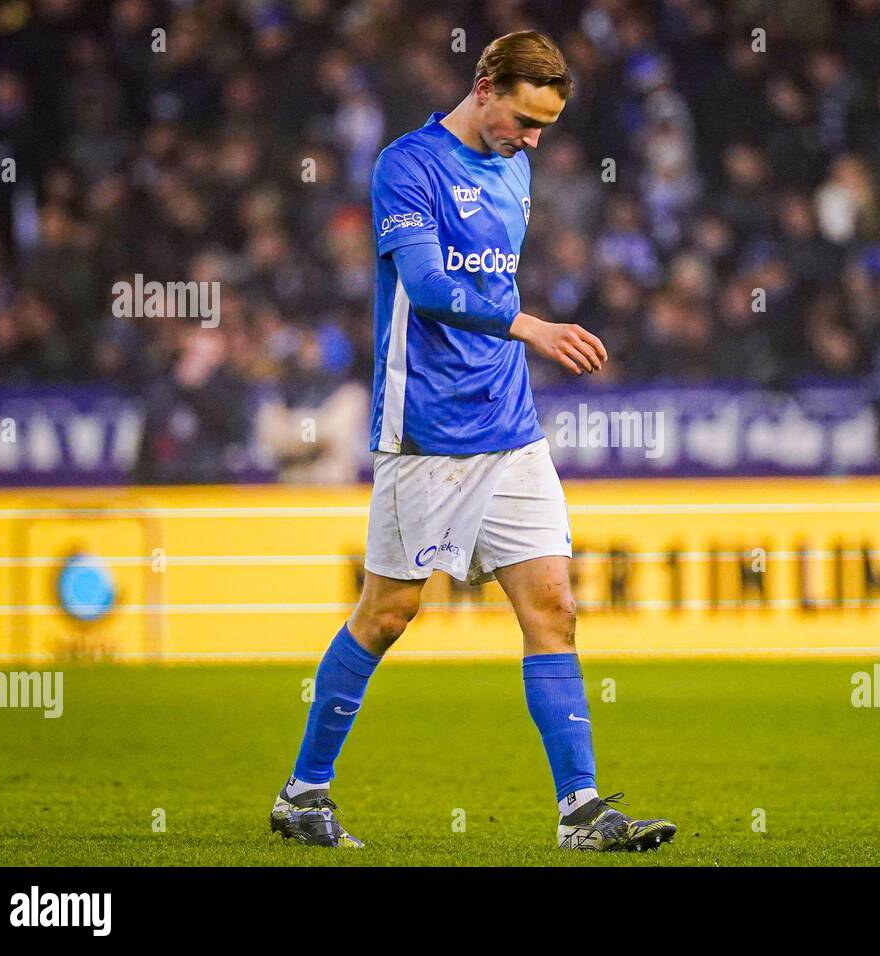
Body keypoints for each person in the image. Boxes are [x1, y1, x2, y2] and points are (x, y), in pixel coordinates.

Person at [270, 31, 676, 853]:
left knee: (555, 609)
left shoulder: (516, 165)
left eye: (545, 129)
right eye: (524, 121)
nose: (532, 141)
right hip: (423, 429)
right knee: (387, 614)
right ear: (485, 86)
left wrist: (517, 341)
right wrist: (531, 327)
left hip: (510, 427)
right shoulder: (406, 166)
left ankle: (581, 811)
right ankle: (303, 793)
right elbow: (425, 285)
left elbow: (491, 275)